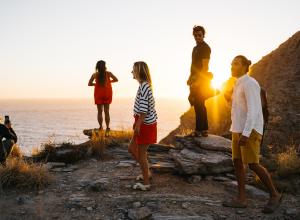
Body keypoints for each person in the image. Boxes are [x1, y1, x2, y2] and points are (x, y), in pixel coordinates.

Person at [223, 55, 282, 213]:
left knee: (253, 164)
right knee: (237, 162)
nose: (232, 66)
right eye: (231, 63)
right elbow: (238, 108)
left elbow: (254, 111)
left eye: (235, 64)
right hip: (238, 129)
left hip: (250, 130)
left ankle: (275, 195)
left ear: (244, 66)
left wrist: (246, 133)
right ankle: (241, 199)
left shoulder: (250, 83)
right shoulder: (237, 84)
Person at [128, 61, 158, 191]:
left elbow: (144, 110)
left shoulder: (144, 86)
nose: (131, 72)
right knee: (131, 148)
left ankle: (146, 183)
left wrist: (138, 125)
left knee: (141, 154)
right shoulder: (144, 85)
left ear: (139, 71)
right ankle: (147, 174)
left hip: (145, 123)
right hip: (142, 122)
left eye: (133, 70)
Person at [187, 25, 215, 137]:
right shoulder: (195, 48)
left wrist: (199, 81)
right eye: (195, 35)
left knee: (199, 103)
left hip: (201, 79)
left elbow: (205, 67)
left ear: (203, 35)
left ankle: (201, 130)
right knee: (197, 103)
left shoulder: (205, 48)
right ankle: (202, 129)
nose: (197, 37)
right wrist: (190, 78)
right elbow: (193, 65)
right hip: (193, 78)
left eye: (199, 35)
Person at [88, 60, 118, 135]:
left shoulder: (95, 74)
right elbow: (116, 79)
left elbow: (89, 83)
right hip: (107, 93)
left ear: (97, 67)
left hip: (98, 94)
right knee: (107, 111)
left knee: (99, 112)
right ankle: (107, 128)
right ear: (105, 66)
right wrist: (108, 82)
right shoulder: (108, 74)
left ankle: (101, 127)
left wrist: (96, 84)